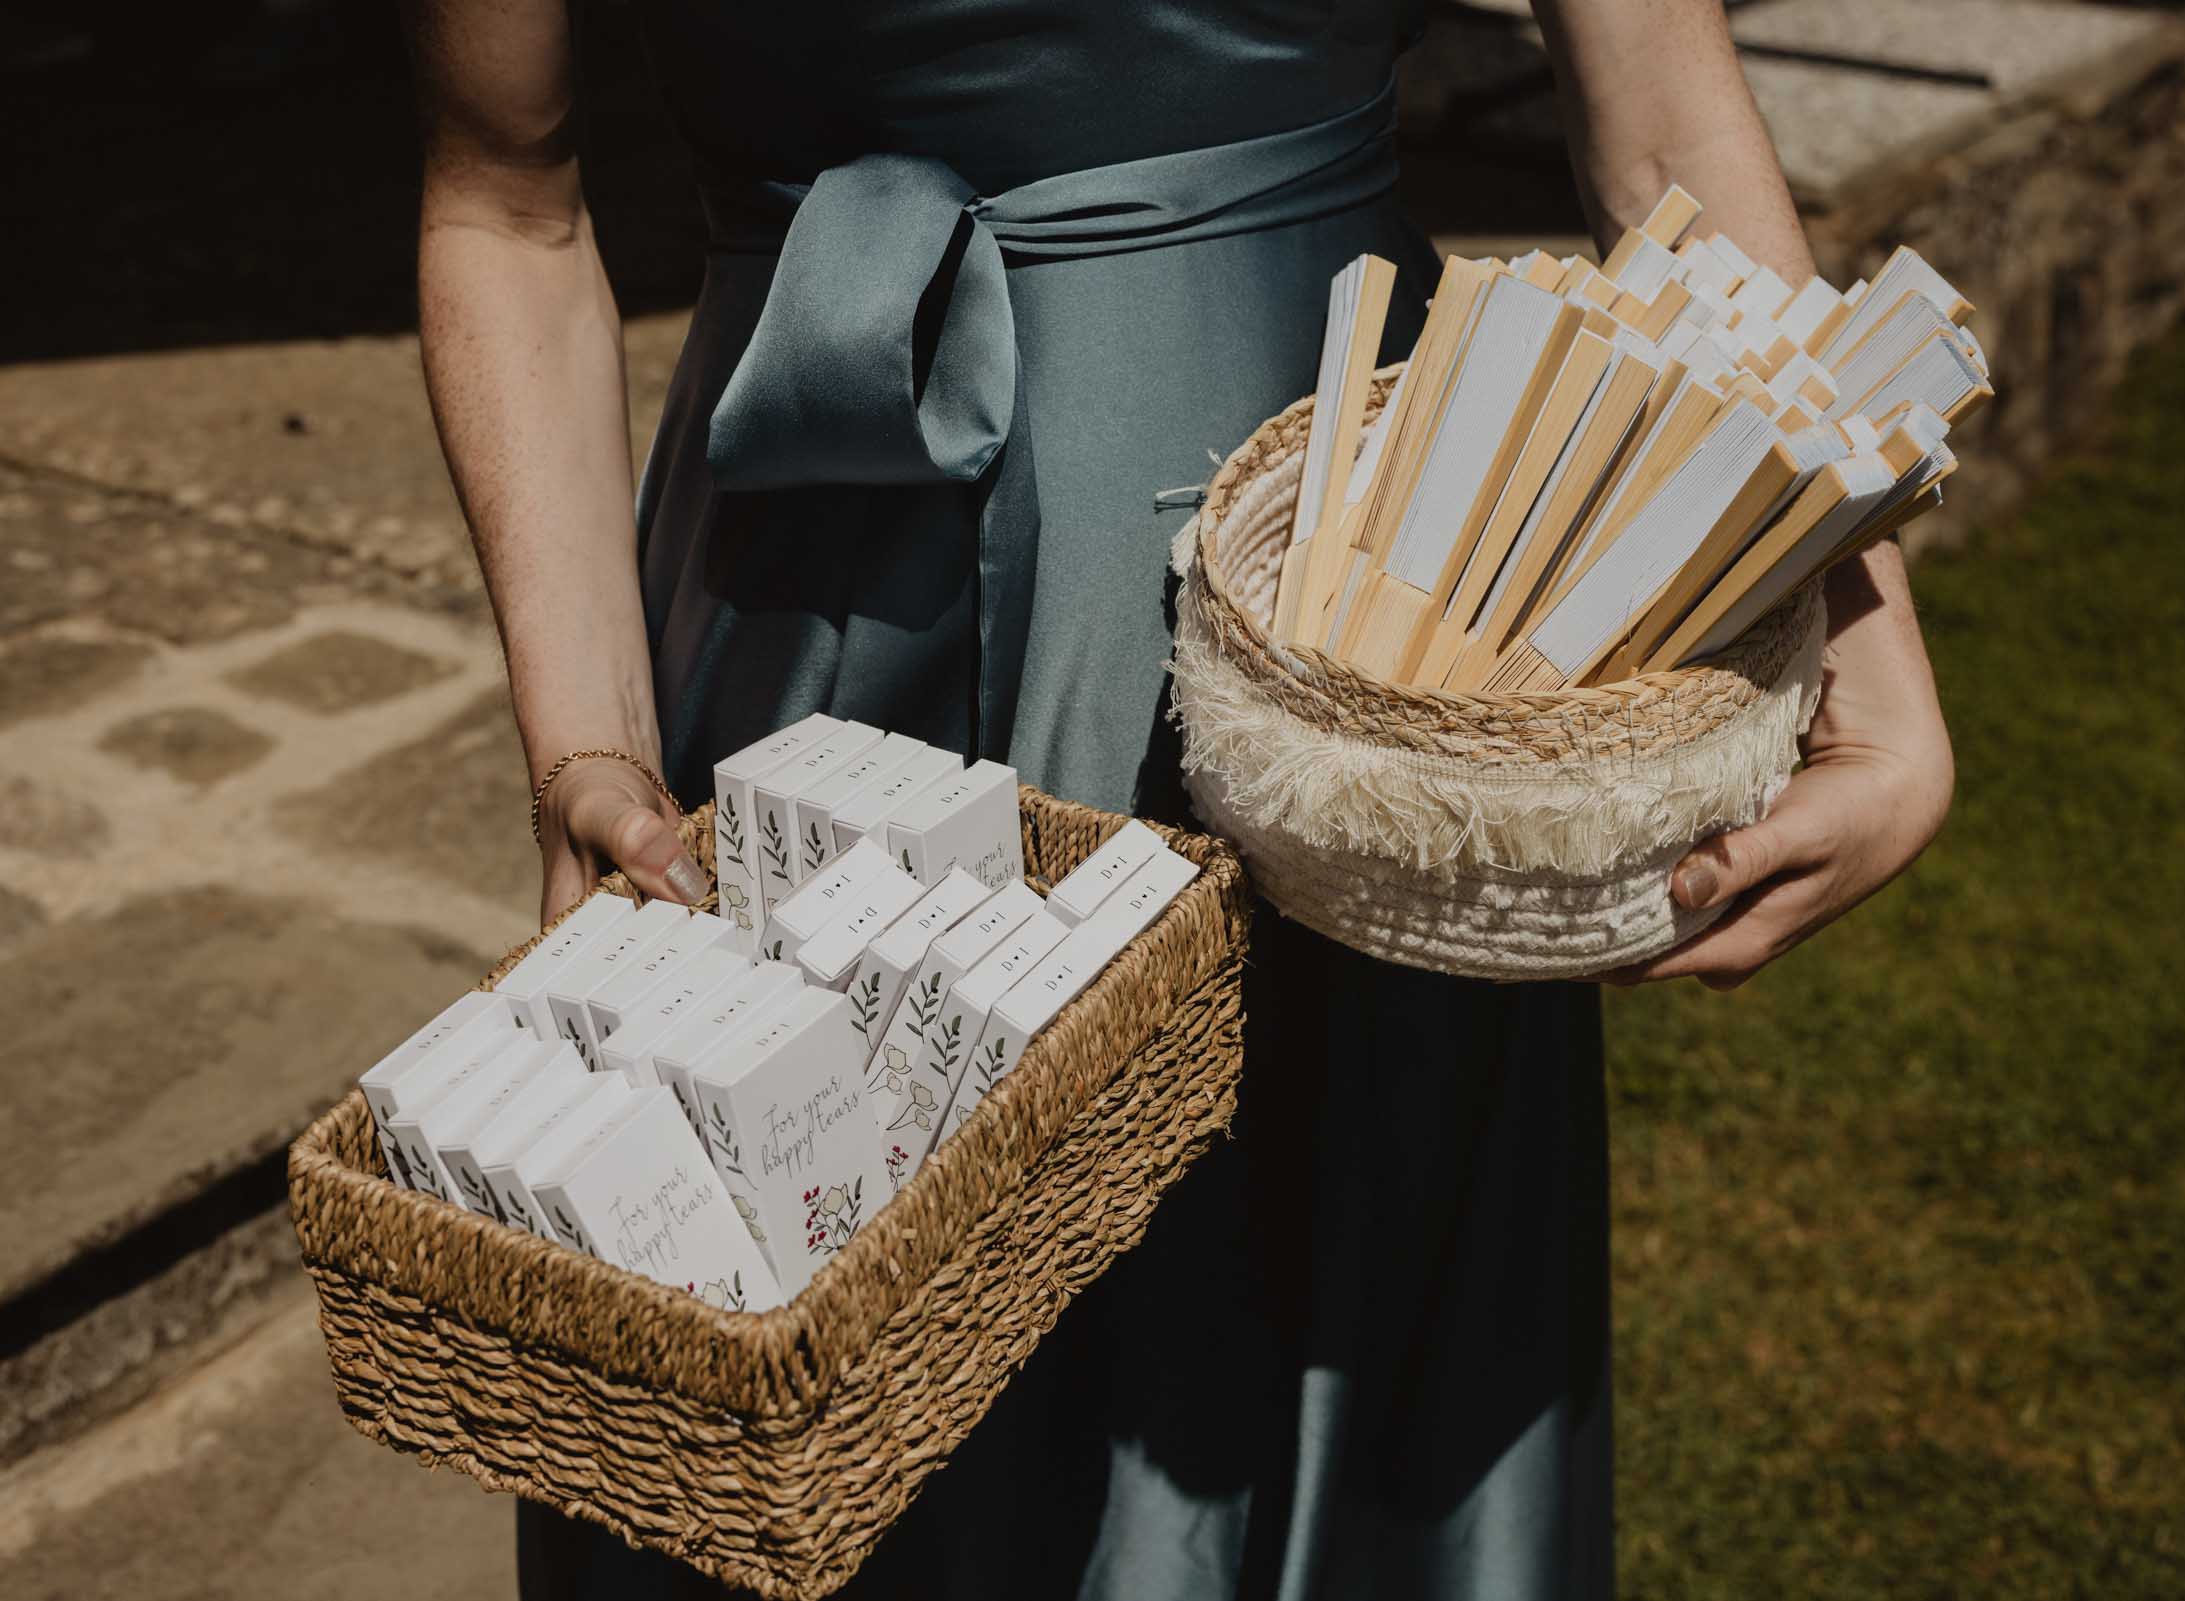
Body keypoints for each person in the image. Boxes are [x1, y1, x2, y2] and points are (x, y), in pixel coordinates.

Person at [406, 1, 1953, 1595]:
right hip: (835, 614)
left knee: (1351, 1337)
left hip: (1377, 620)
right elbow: (507, 201)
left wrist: (1861, 630)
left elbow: (1661, 129)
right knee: (833, 1401)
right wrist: (585, 742)